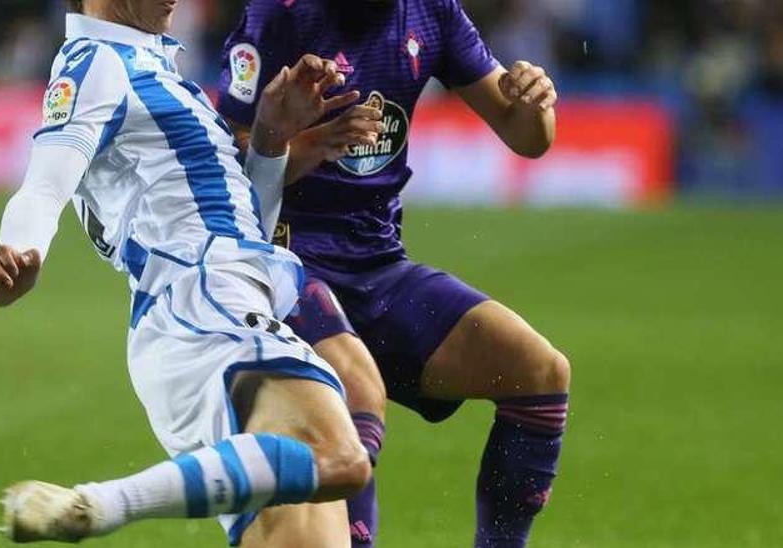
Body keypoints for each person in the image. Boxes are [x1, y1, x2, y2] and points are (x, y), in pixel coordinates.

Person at [0, 1, 381, 545]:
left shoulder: (156, 70)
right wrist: (20, 252)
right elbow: (45, 182)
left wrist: (272, 138)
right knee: (339, 455)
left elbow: (242, 228)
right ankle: (95, 505)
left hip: (206, 307)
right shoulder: (97, 61)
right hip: (206, 302)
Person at [216, 1, 570, 546]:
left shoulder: (433, 13)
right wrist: (309, 144)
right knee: (360, 391)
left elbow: (528, 137)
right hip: (282, 266)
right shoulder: (276, 15)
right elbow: (218, 172)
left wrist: (536, 102)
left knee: (538, 372)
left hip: (378, 265)